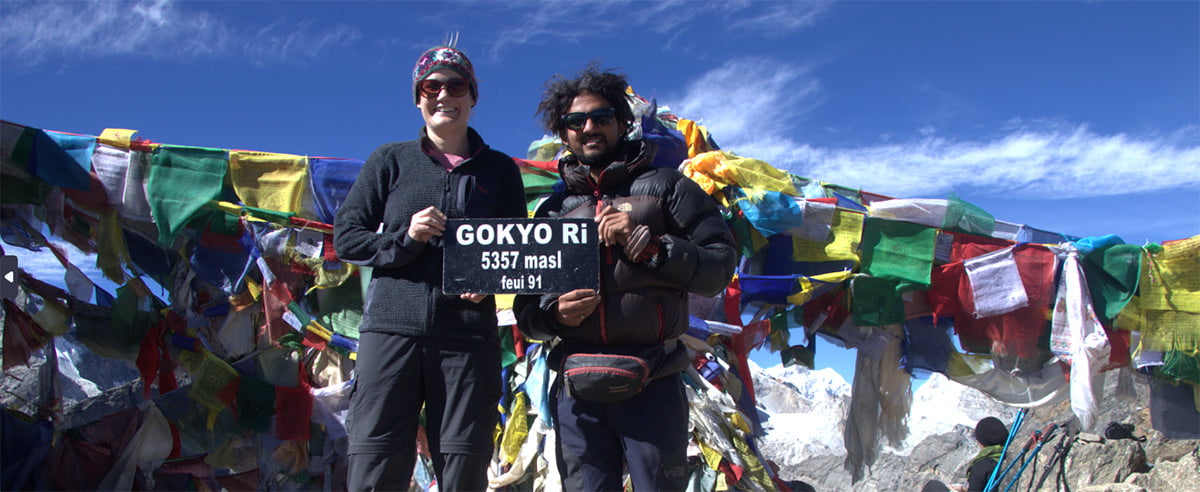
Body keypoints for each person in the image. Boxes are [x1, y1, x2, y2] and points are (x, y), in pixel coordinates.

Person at [514, 64, 736, 491]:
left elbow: (718, 269)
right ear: (564, 135)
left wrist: (650, 246)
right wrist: (556, 315)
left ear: (622, 122)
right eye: (576, 122)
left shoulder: (669, 189)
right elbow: (527, 312)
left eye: (601, 117)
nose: (589, 127)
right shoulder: (552, 213)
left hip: (654, 382)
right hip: (577, 391)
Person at [333, 44, 527, 491]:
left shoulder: (500, 171)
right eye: (431, 86)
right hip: (390, 329)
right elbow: (348, 237)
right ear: (418, 98)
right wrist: (406, 239)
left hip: (466, 336)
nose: (443, 95)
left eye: (455, 85)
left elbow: (517, 251)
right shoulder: (390, 160)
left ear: (472, 96)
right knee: (376, 458)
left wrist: (492, 280)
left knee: (464, 463)